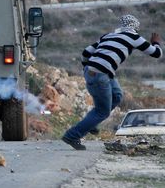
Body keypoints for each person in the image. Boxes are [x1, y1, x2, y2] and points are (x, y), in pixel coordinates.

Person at [62, 14, 162, 150]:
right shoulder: (134, 37)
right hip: (101, 74)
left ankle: (92, 123)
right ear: (136, 27)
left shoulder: (108, 36)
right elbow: (156, 53)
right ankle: (72, 135)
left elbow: (86, 53)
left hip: (99, 72)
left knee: (117, 96)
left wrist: (88, 69)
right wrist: (156, 42)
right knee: (101, 112)